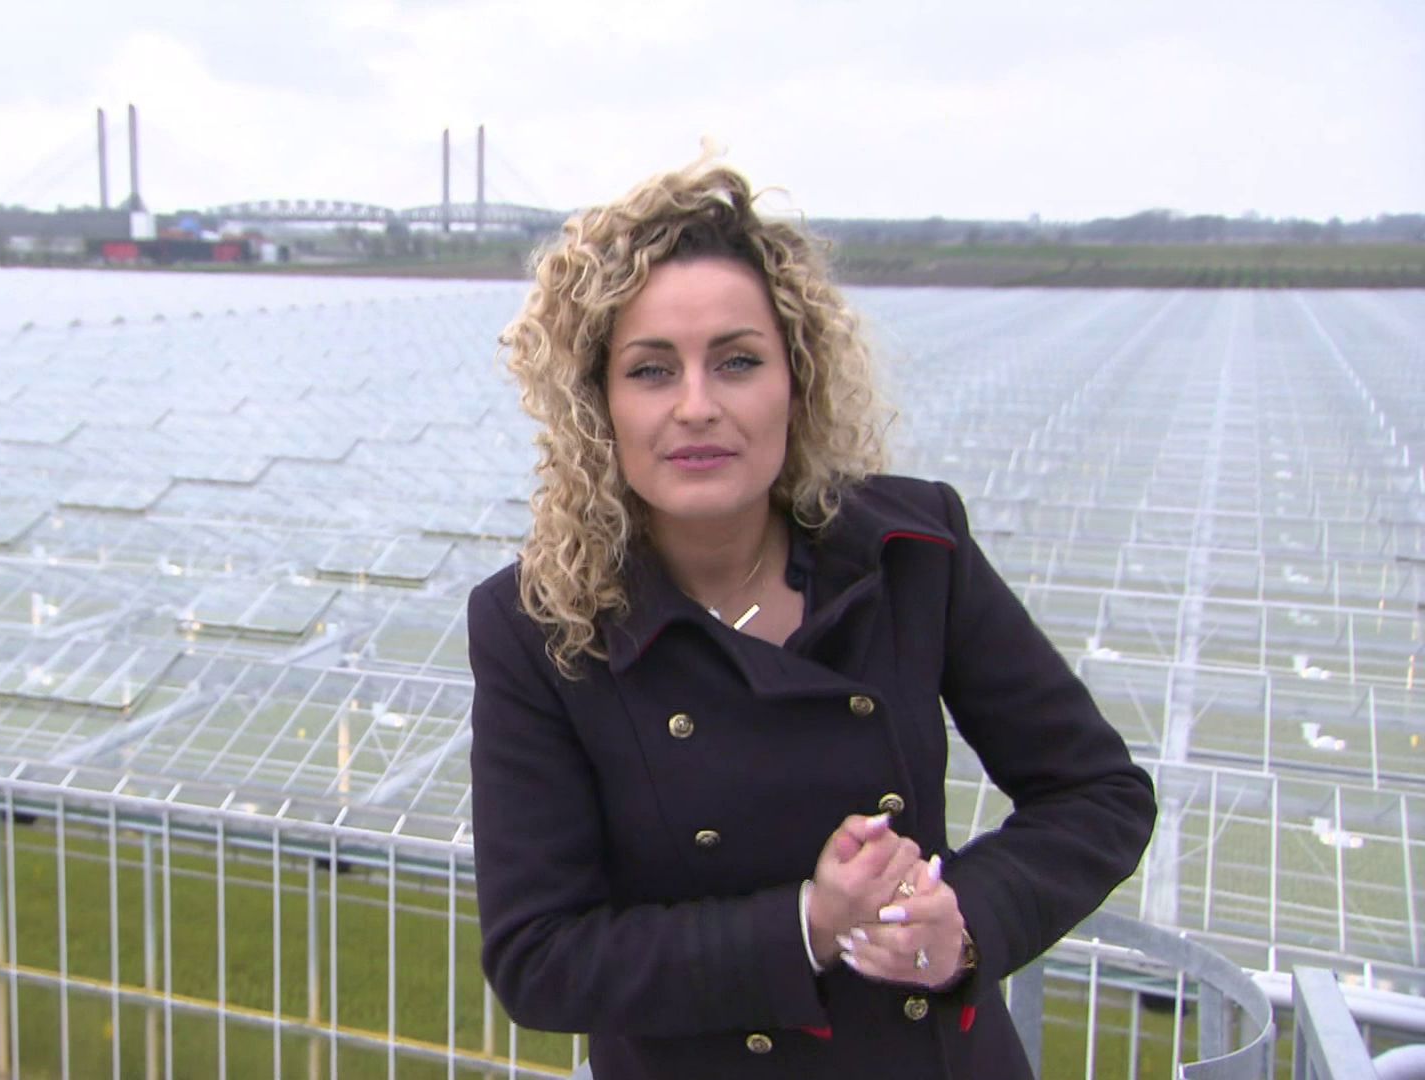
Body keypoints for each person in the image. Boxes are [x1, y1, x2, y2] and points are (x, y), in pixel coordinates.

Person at [465, 159, 1156, 1079]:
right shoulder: (541, 624)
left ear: (799, 378)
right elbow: (540, 960)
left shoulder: (912, 549)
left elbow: (1098, 793)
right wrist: (810, 925)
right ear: (598, 404)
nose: (698, 406)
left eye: (738, 361)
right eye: (652, 370)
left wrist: (963, 925)